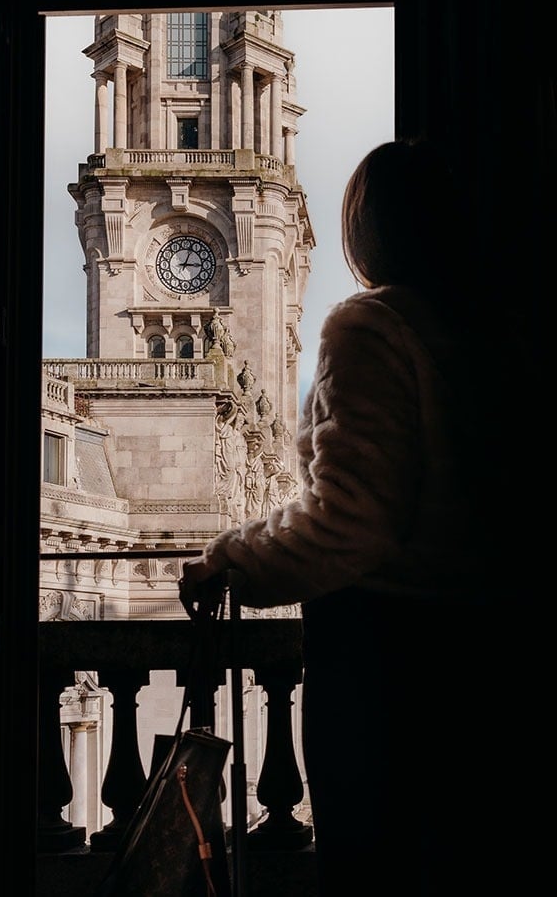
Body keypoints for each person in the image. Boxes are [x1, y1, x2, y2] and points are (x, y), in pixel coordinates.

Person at [180, 139, 499, 897]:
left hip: (388, 669)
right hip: (486, 657)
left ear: (367, 228)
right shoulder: (496, 331)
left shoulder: (373, 328)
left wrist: (233, 557)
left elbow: (350, 522)